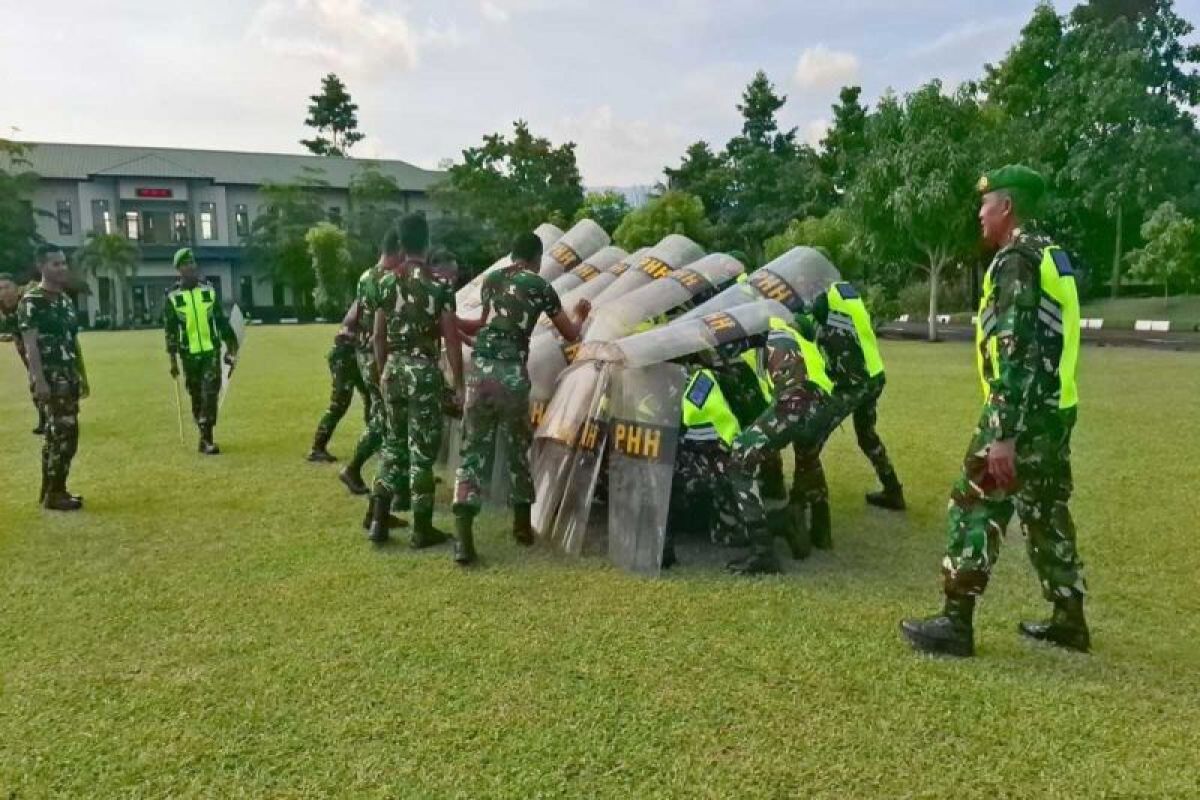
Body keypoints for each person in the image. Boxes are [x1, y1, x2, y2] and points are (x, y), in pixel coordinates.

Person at [901, 165, 1088, 658]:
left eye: (985, 206)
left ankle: (955, 622)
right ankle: (1070, 618)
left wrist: (1003, 432)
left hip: (1020, 414)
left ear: (1006, 207)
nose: (979, 215)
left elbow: (1018, 347)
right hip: (1053, 411)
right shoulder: (1052, 255)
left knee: (973, 502)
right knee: (1045, 512)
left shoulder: (1017, 261)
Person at [452, 231, 591, 566]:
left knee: (473, 453)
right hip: (512, 377)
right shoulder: (540, 286)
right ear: (537, 259)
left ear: (512, 254)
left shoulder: (492, 279)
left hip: (480, 375)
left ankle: (463, 539)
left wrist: (452, 325)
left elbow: (484, 324)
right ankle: (521, 527)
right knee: (517, 449)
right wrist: (581, 315)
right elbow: (571, 335)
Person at [365, 215, 465, 546]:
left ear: (401, 243)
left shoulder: (384, 283)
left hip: (392, 369)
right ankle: (421, 529)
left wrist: (382, 373)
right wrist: (459, 385)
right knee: (421, 452)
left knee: (393, 446)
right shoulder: (440, 288)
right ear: (426, 242)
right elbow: (451, 341)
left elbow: (378, 337)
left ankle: (378, 519)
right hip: (423, 373)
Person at [787, 281, 906, 550]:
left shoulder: (822, 300)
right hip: (874, 375)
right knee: (866, 435)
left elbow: (810, 323)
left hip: (852, 384)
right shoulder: (844, 290)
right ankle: (893, 490)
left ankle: (811, 518)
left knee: (809, 439)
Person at [725, 317, 841, 575]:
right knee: (808, 458)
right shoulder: (784, 328)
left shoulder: (776, 338)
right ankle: (821, 533)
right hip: (825, 404)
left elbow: (793, 395)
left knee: (740, 456)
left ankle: (763, 553)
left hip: (802, 400)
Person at [18, 246, 89, 510]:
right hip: (50, 378)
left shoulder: (65, 300)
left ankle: (50, 488)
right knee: (66, 435)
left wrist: (81, 375)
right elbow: (30, 345)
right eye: (56, 264)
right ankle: (55, 493)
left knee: (55, 434)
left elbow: (73, 341)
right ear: (42, 267)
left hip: (68, 375)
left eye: (63, 263)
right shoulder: (31, 301)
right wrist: (39, 380)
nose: (62, 268)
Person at [337, 233, 407, 498]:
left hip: (365, 354)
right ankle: (355, 469)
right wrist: (383, 368)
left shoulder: (366, 276)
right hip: (377, 355)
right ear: (398, 251)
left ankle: (389, 480)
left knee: (384, 417)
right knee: (383, 418)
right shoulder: (386, 280)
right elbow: (381, 328)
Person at [162, 248, 239, 455]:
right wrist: (172, 360)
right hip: (188, 355)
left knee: (210, 394)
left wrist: (230, 346)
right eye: (186, 264)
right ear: (179, 269)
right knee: (196, 396)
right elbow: (170, 330)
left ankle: (207, 438)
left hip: (210, 352)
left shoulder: (208, 291)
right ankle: (203, 435)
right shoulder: (173, 297)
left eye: (193, 263)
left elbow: (220, 321)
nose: (191, 267)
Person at [305, 327, 371, 463]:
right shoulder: (363, 306)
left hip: (359, 356)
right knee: (340, 404)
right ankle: (317, 448)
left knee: (373, 399)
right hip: (346, 357)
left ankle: (373, 442)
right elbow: (344, 330)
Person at [0, 272, 48, 434]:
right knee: (34, 383)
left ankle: (48, 419)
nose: (4, 292)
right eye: (0, 289)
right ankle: (44, 418)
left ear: (16, 288)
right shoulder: (3, 305)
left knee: (42, 380)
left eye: (7, 287)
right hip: (22, 346)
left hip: (40, 345)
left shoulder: (28, 298)